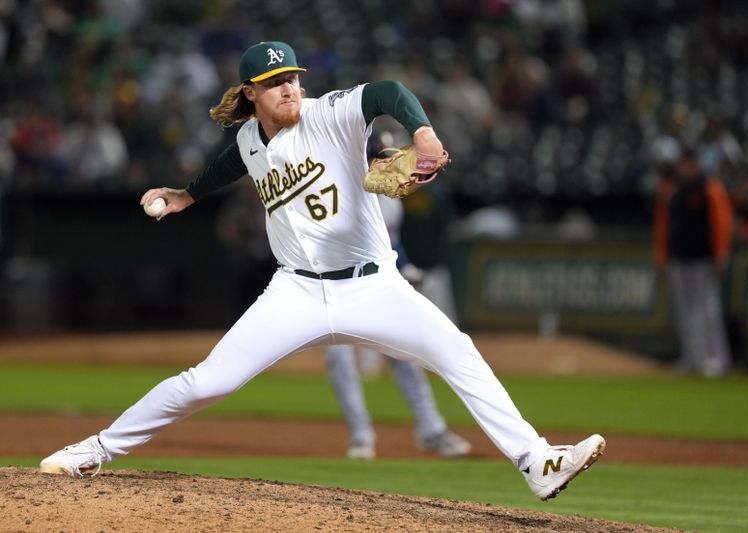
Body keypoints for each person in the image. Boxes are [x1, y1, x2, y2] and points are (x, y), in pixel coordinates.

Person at [39, 41, 604, 502]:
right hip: (296, 292)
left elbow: (387, 92)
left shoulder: (329, 113)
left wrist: (423, 133)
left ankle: (537, 461)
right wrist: (188, 194)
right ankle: (94, 450)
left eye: (292, 77)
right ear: (250, 93)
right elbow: (233, 160)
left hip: (373, 285)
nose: (289, 87)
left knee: (457, 350)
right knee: (207, 382)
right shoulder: (248, 138)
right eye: (275, 81)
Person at [327, 195, 470, 460]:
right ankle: (360, 436)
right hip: (335, 288)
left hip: (375, 290)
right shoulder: (335, 190)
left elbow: (390, 244)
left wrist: (407, 268)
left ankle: (431, 431)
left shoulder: (391, 203)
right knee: (339, 359)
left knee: (405, 356)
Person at [653, 146, 734, 377]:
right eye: (683, 163)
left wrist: (720, 254)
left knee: (708, 309)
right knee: (684, 311)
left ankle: (716, 358)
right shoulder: (672, 190)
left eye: (690, 163)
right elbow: (663, 226)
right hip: (679, 258)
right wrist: (661, 254)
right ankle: (692, 357)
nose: (686, 167)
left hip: (704, 258)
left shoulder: (709, 188)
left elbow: (721, 223)